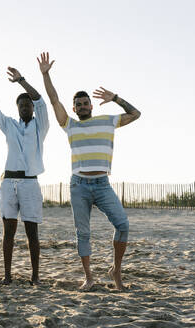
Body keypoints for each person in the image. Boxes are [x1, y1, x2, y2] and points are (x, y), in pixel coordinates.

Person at [38, 52, 141, 290]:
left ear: (91, 106)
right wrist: (46, 74)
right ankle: (89, 277)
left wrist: (115, 97)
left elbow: (136, 114)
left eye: (86, 103)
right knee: (83, 233)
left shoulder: (108, 121)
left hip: (102, 185)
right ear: (74, 108)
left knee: (123, 225)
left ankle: (116, 270)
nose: (82, 106)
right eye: (79, 104)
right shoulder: (70, 125)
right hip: (79, 185)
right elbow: (54, 100)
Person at [0, 62, 49, 285]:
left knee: (32, 233)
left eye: (27, 104)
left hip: (30, 183)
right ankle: (8, 276)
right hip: (9, 182)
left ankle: (35, 277)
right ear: (17, 108)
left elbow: (40, 100)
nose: (25, 107)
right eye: (21, 105)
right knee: (8, 232)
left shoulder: (41, 126)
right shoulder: (9, 125)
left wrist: (21, 80)